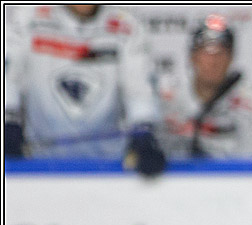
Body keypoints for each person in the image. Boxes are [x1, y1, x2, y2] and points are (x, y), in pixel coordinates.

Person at [3, 4, 165, 176]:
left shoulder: (127, 26)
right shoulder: (28, 18)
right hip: (39, 164)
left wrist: (143, 132)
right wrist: (8, 121)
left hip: (107, 167)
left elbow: (140, 90)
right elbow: (8, 76)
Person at [156, 14, 252, 158]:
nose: (213, 61)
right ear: (192, 57)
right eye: (206, 52)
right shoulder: (166, 100)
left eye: (221, 53)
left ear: (231, 58)